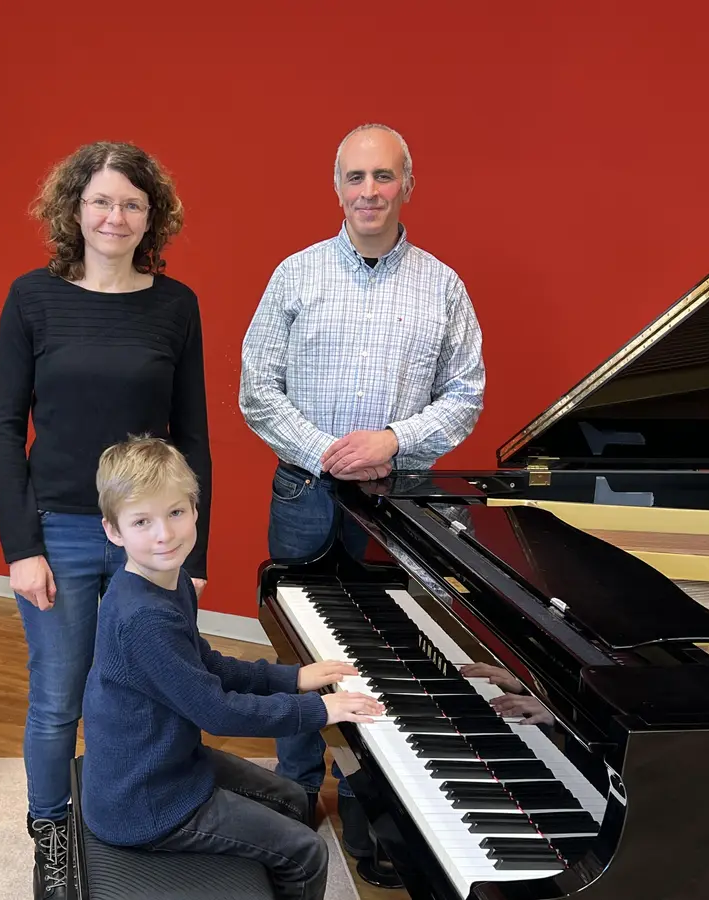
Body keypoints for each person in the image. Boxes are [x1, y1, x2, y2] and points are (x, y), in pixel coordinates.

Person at [238, 123, 486, 866]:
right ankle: (294, 789)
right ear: (336, 186)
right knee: (296, 651)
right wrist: (325, 452)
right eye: (355, 177)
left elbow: (466, 395)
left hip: (393, 504)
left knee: (388, 650)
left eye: (383, 177)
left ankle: (379, 795)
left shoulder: (442, 286)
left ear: (409, 184)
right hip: (303, 491)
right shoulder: (296, 274)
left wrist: (391, 441)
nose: (369, 191)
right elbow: (257, 389)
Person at [0, 142, 211, 899]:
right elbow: (1, 430)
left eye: (132, 204)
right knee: (58, 696)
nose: (116, 216)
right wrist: (22, 548)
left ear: (152, 217)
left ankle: (147, 818)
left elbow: (194, 435)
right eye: (102, 202)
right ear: (74, 210)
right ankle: (51, 834)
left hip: (152, 539)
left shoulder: (176, 306)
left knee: (154, 688)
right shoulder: (31, 298)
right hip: (63, 533)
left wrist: (193, 548)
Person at [80, 436, 385, 900]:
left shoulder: (168, 581)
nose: (164, 534)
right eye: (143, 521)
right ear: (114, 531)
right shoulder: (143, 618)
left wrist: (295, 677)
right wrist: (320, 712)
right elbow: (218, 713)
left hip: (167, 767)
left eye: (176, 513)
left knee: (291, 798)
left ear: (195, 510)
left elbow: (204, 663)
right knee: (307, 851)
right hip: (145, 803)